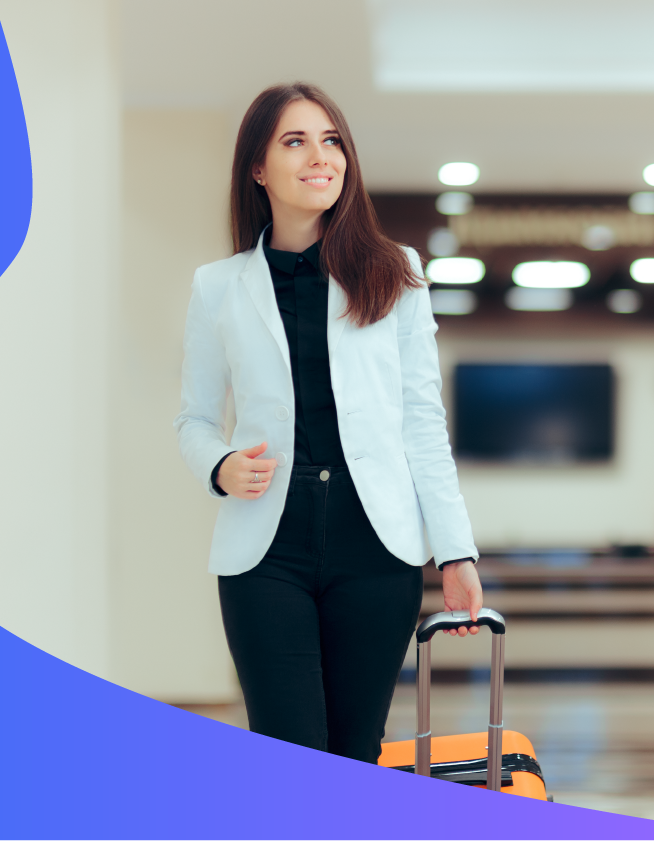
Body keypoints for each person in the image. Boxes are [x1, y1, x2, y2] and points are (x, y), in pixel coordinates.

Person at [173, 82, 483, 764]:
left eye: (332, 140)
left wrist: (455, 551)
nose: (321, 157)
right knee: (288, 755)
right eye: (296, 141)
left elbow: (424, 423)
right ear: (258, 167)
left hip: (375, 551)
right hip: (266, 552)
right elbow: (194, 420)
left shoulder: (394, 272)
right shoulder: (217, 286)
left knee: (351, 756)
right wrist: (219, 466)